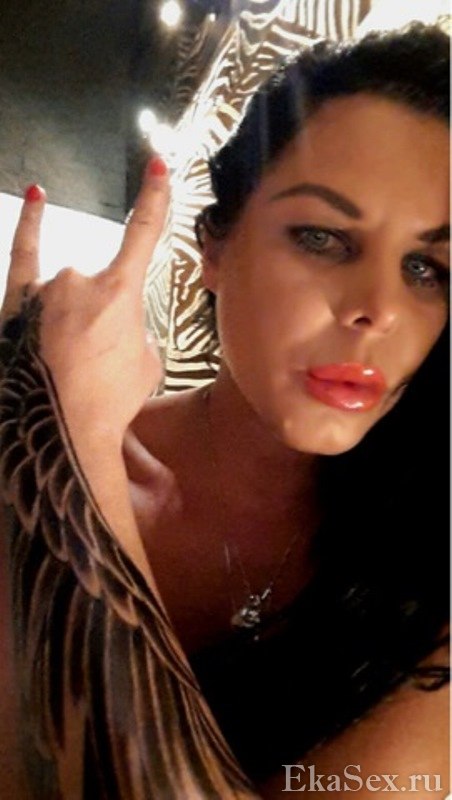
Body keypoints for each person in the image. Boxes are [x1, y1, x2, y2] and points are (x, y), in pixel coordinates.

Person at [0, 21, 449, 800]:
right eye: (322, 237)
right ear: (213, 247)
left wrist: (63, 443)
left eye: (428, 268)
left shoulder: (431, 562)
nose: (377, 309)